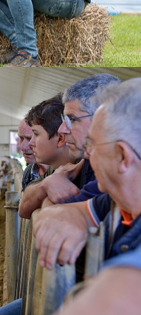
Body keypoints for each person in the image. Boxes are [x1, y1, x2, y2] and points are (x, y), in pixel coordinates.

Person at [0, 78, 141, 315]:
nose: (87, 155)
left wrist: (52, 203)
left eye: (94, 145)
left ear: (122, 157)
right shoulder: (112, 201)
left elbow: (124, 292)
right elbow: (56, 214)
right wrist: (67, 211)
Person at [18, 74, 121, 218]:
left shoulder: (113, 169)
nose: (63, 130)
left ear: (103, 118)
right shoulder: (85, 164)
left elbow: (52, 222)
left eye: (72, 119)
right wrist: (48, 183)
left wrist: (48, 197)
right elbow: (23, 210)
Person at [18, 118, 47, 191]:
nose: (23, 147)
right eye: (21, 138)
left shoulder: (69, 175)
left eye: (30, 138)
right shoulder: (28, 172)